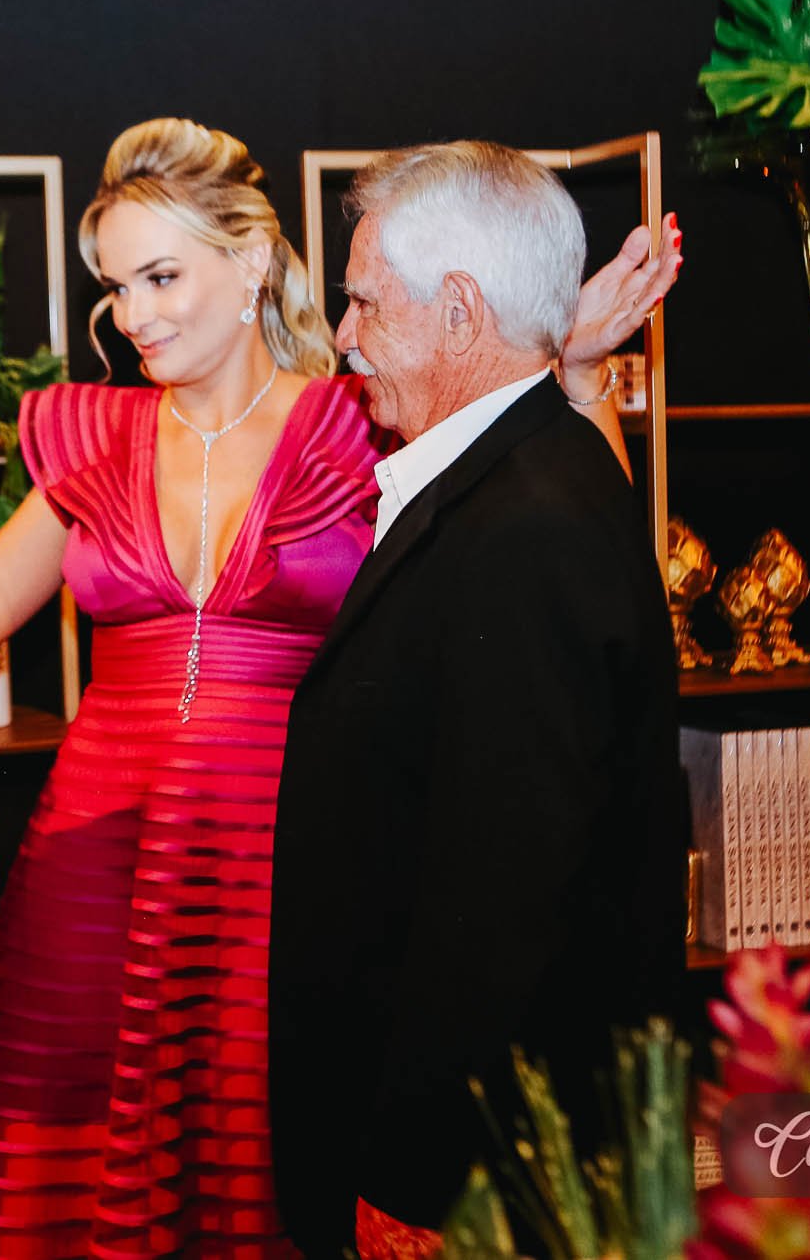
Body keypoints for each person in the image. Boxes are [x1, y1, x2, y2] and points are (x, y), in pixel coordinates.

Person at [0, 117, 677, 1258]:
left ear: (252, 259)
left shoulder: (363, 418)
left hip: (279, 865)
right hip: (95, 865)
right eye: (117, 287)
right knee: (73, 1180)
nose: (134, 314)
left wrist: (571, 371)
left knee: (265, 1179)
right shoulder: (91, 432)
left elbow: (546, 546)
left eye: (161, 276)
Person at [266, 141, 688, 1259]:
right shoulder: (512, 478)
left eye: (364, 300)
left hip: (470, 1179)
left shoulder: (526, 526)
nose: (343, 334)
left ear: (459, 312)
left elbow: (508, 902)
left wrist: (422, 1183)